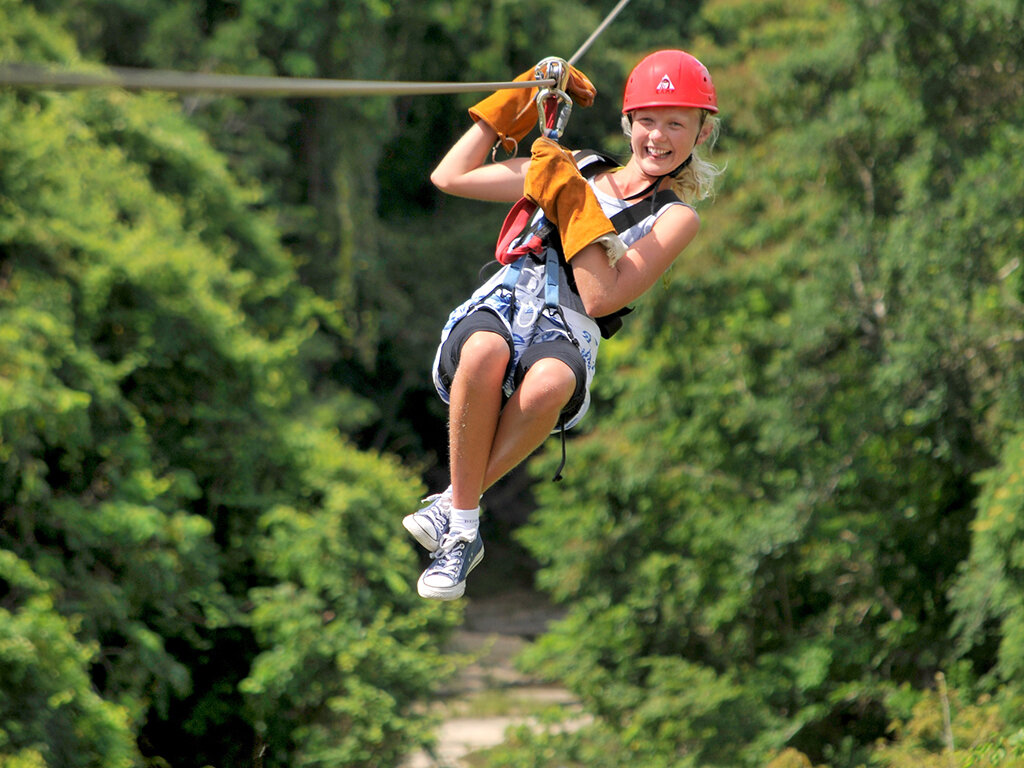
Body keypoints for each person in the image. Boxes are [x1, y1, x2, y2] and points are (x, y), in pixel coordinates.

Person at [404, 49, 723, 600]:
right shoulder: (572, 164)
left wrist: (570, 196)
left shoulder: (674, 219)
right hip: (510, 296)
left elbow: (601, 296)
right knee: (482, 350)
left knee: (551, 383)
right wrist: (509, 106)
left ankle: (457, 513)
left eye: (677, 123)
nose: (658, 136)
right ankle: (463, 519)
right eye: (647, 120)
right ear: (628, 124)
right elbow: (450, 176)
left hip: (569, 323)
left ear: (701, 132)